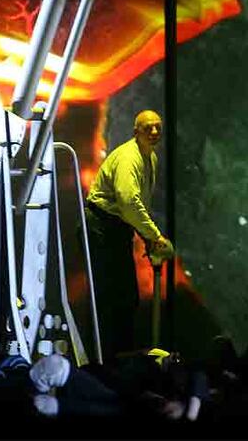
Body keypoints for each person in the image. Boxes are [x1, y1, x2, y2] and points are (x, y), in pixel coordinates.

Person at [83, 110, 173, 361]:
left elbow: (139, 203)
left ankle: (122, 359)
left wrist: (148, 240)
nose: (154, 133)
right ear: (136, 132)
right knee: (110, 299)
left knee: (126, 298)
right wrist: (155, 237)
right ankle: (108, 362)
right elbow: (129, 203)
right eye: (148, 128)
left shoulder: (149, 158)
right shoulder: (128, 158)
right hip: (101, 226)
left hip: (117, 228)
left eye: (157, 128)